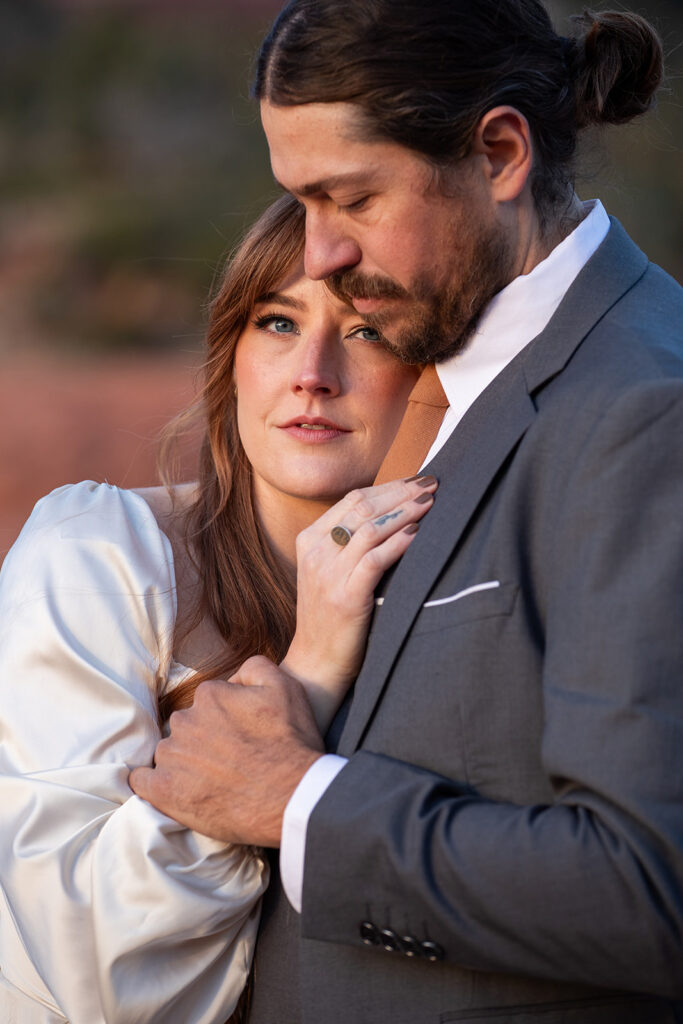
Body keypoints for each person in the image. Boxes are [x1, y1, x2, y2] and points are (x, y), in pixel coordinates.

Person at [130, 1, 683, 1021]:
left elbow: (647, 883)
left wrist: (293, 802)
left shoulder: (642, 410)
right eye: (297, 200)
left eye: (350, 198)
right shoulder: (441, 376)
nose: (321, 251)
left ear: (500, 153)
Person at [0, 193, 432, 1023]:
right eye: (276, 322)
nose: (312, 371)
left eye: (367, 331)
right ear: (230, 354)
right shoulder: (102, 554)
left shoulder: (452, 581)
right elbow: (89, 975)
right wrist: (305, 672)